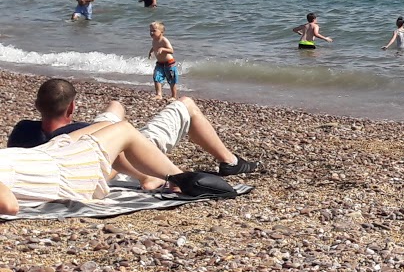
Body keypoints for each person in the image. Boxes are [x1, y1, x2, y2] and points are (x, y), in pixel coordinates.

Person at [8, 78, 260, 179]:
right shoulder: (85, 136)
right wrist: (146, 177)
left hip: (81, 137)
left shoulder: (22, 131)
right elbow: (120, 160)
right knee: (186, 105)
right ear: (72, 107)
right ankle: (230, 160)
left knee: (115, 106)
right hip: (136, 150)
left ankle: (116, 117)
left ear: (37, 105)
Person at [0, 118, 198, 215]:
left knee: (106, 125)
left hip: (41, 155)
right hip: (61, 170)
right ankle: (184, 180)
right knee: (124, 130)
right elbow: (9, 206)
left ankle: (146, 176)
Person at [148, 23, 179, 100]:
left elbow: (171, 50)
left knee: (172, 79)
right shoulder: (154, 40)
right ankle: (159, 94)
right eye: (150, 31)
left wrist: (163, 49)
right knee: (156, 77)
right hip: (160, 64)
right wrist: (151, 51)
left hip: (169, 63)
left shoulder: (164, 40)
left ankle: (173, 96)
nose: (152, 33)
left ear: (161, 32)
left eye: (154, 31)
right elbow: (154, 47)